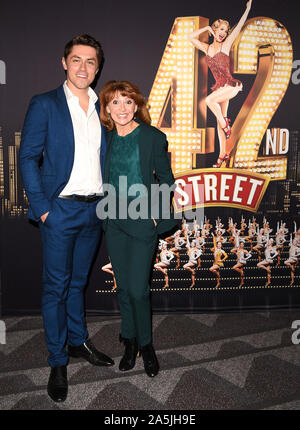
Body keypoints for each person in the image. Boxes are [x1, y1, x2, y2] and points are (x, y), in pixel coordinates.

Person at [19, 34, 114, 403]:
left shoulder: (103, 106)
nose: (83, 68)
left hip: (94, 210)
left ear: (97, 67)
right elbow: (27, 158)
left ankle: (78, 342)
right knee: (55, 288)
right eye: (76, 60)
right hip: (58, 210)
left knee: (77, 284)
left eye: (90, 62)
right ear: (64, 63)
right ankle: (57, 360)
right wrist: (43, 209)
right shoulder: (44, 104)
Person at [99, 80, 177, 377]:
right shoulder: (104, 139)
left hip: (142, 219)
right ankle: (129, 342)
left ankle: (146, 346)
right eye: (115, 102)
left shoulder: (152, 137)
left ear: (136, 105)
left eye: (128, 102)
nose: (122, 108)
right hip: (114, 220)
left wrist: (156, 215)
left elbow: (166, 179)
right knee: (123, 290)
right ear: (106, 108)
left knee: (138, 290)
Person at [188, 0, 253, 167]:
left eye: (225, 30)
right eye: (221, 29)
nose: (223, 33)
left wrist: (248, 9)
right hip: (220, 87)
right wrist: (206, 28)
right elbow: (190, 37)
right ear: (214, 30)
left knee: (209, 101)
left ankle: (226, 125)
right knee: (218, 121)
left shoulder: (226, 45)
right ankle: (222, 155)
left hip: (231, 85)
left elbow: (239, 27)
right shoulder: (206, 48)